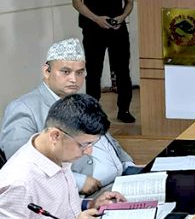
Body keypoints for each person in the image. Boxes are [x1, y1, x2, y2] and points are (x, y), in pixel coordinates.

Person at [0, 94, 126, 219]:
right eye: (84, 145)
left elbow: (52, 208)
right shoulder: (19, 182)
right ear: (55, 136)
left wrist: (90, 204)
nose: (88, 152)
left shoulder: (57, 154)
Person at [0, 38, 135, 195]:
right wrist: (78, 181)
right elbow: (20, 163)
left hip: (122, 181)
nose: (73, 79)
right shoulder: (24, 108)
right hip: (84, 196)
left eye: (80, 72)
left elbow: (106, 140)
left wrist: (128, 164)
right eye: (65, 72)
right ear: (47, 71)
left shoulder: (81, 100)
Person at [70, 0, 136, 123]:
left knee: (123, 71)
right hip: (93, 30)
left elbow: (129, 1)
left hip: (118, 30)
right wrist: (96, 19)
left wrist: (122, 17)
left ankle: (124, 110)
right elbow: (77, 1)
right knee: (94, 72)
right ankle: (93, 112)